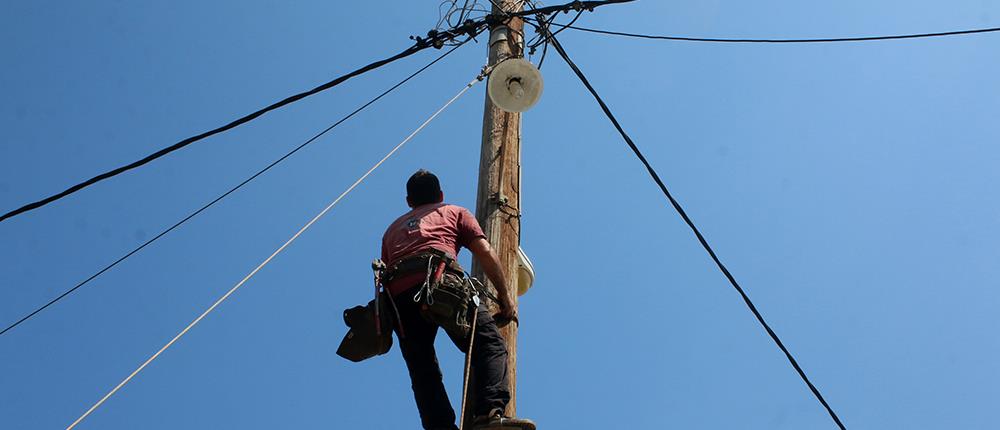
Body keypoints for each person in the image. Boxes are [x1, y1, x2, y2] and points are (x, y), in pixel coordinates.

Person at [381, 169, 531, 430]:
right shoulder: (453, 211)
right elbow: (484, 251)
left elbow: (387, 270)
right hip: (441, 282)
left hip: (398, 300)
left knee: (423, 371)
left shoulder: (391, 231)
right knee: (489, 344)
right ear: (440, 195)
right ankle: (489, 415)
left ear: (408, 201)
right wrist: (506, 297)